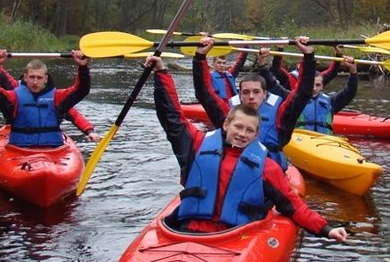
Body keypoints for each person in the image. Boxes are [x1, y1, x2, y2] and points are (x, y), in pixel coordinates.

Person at [145, 54, 347, 241]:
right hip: (187, 231)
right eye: (238, 127)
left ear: (257, 135)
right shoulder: (197, 145)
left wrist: (326, 229)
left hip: (236, 236)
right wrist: (161, 73)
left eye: (249, 130)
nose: (242, 134)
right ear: (226, 125)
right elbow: (172, 117)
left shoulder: (267, 167)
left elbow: (292, 205)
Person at [193, 35, 315, 171]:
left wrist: (308, 56)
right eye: (246, 92)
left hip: (270, 172)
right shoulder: (228, 113)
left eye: (256, 92)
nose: (251, 97)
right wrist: (200, 57)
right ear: (240, 96)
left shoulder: (281, 114)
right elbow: (204, 93)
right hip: (238, 173)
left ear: (264, 94)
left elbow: (302, 93)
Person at [0, 34, 101, 142]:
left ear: (46, 79)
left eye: (39, 78)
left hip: (53, 151)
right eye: (32, 77)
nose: (35, 82)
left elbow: (81, 92)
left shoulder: (57, 98)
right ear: (25, 77)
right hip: (19, 149)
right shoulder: (14, 95)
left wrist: (83, 67)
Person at [267, 56, 360, 135]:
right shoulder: (293, 99)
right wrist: (262, 64)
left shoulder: (331, 102)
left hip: (324, 142)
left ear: (323, 86)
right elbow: (273, 85)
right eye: (311, 85)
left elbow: (349, 92)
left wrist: (353, 71)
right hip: (300, 141)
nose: (314, 88)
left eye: (318, 85)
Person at [270, 44, 344, 91]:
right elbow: (277, 68)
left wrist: (338, 53)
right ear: (298, 66)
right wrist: (280, 48)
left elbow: (333, 71)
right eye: (303, 63)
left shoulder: (317, 78)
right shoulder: (290, 78)